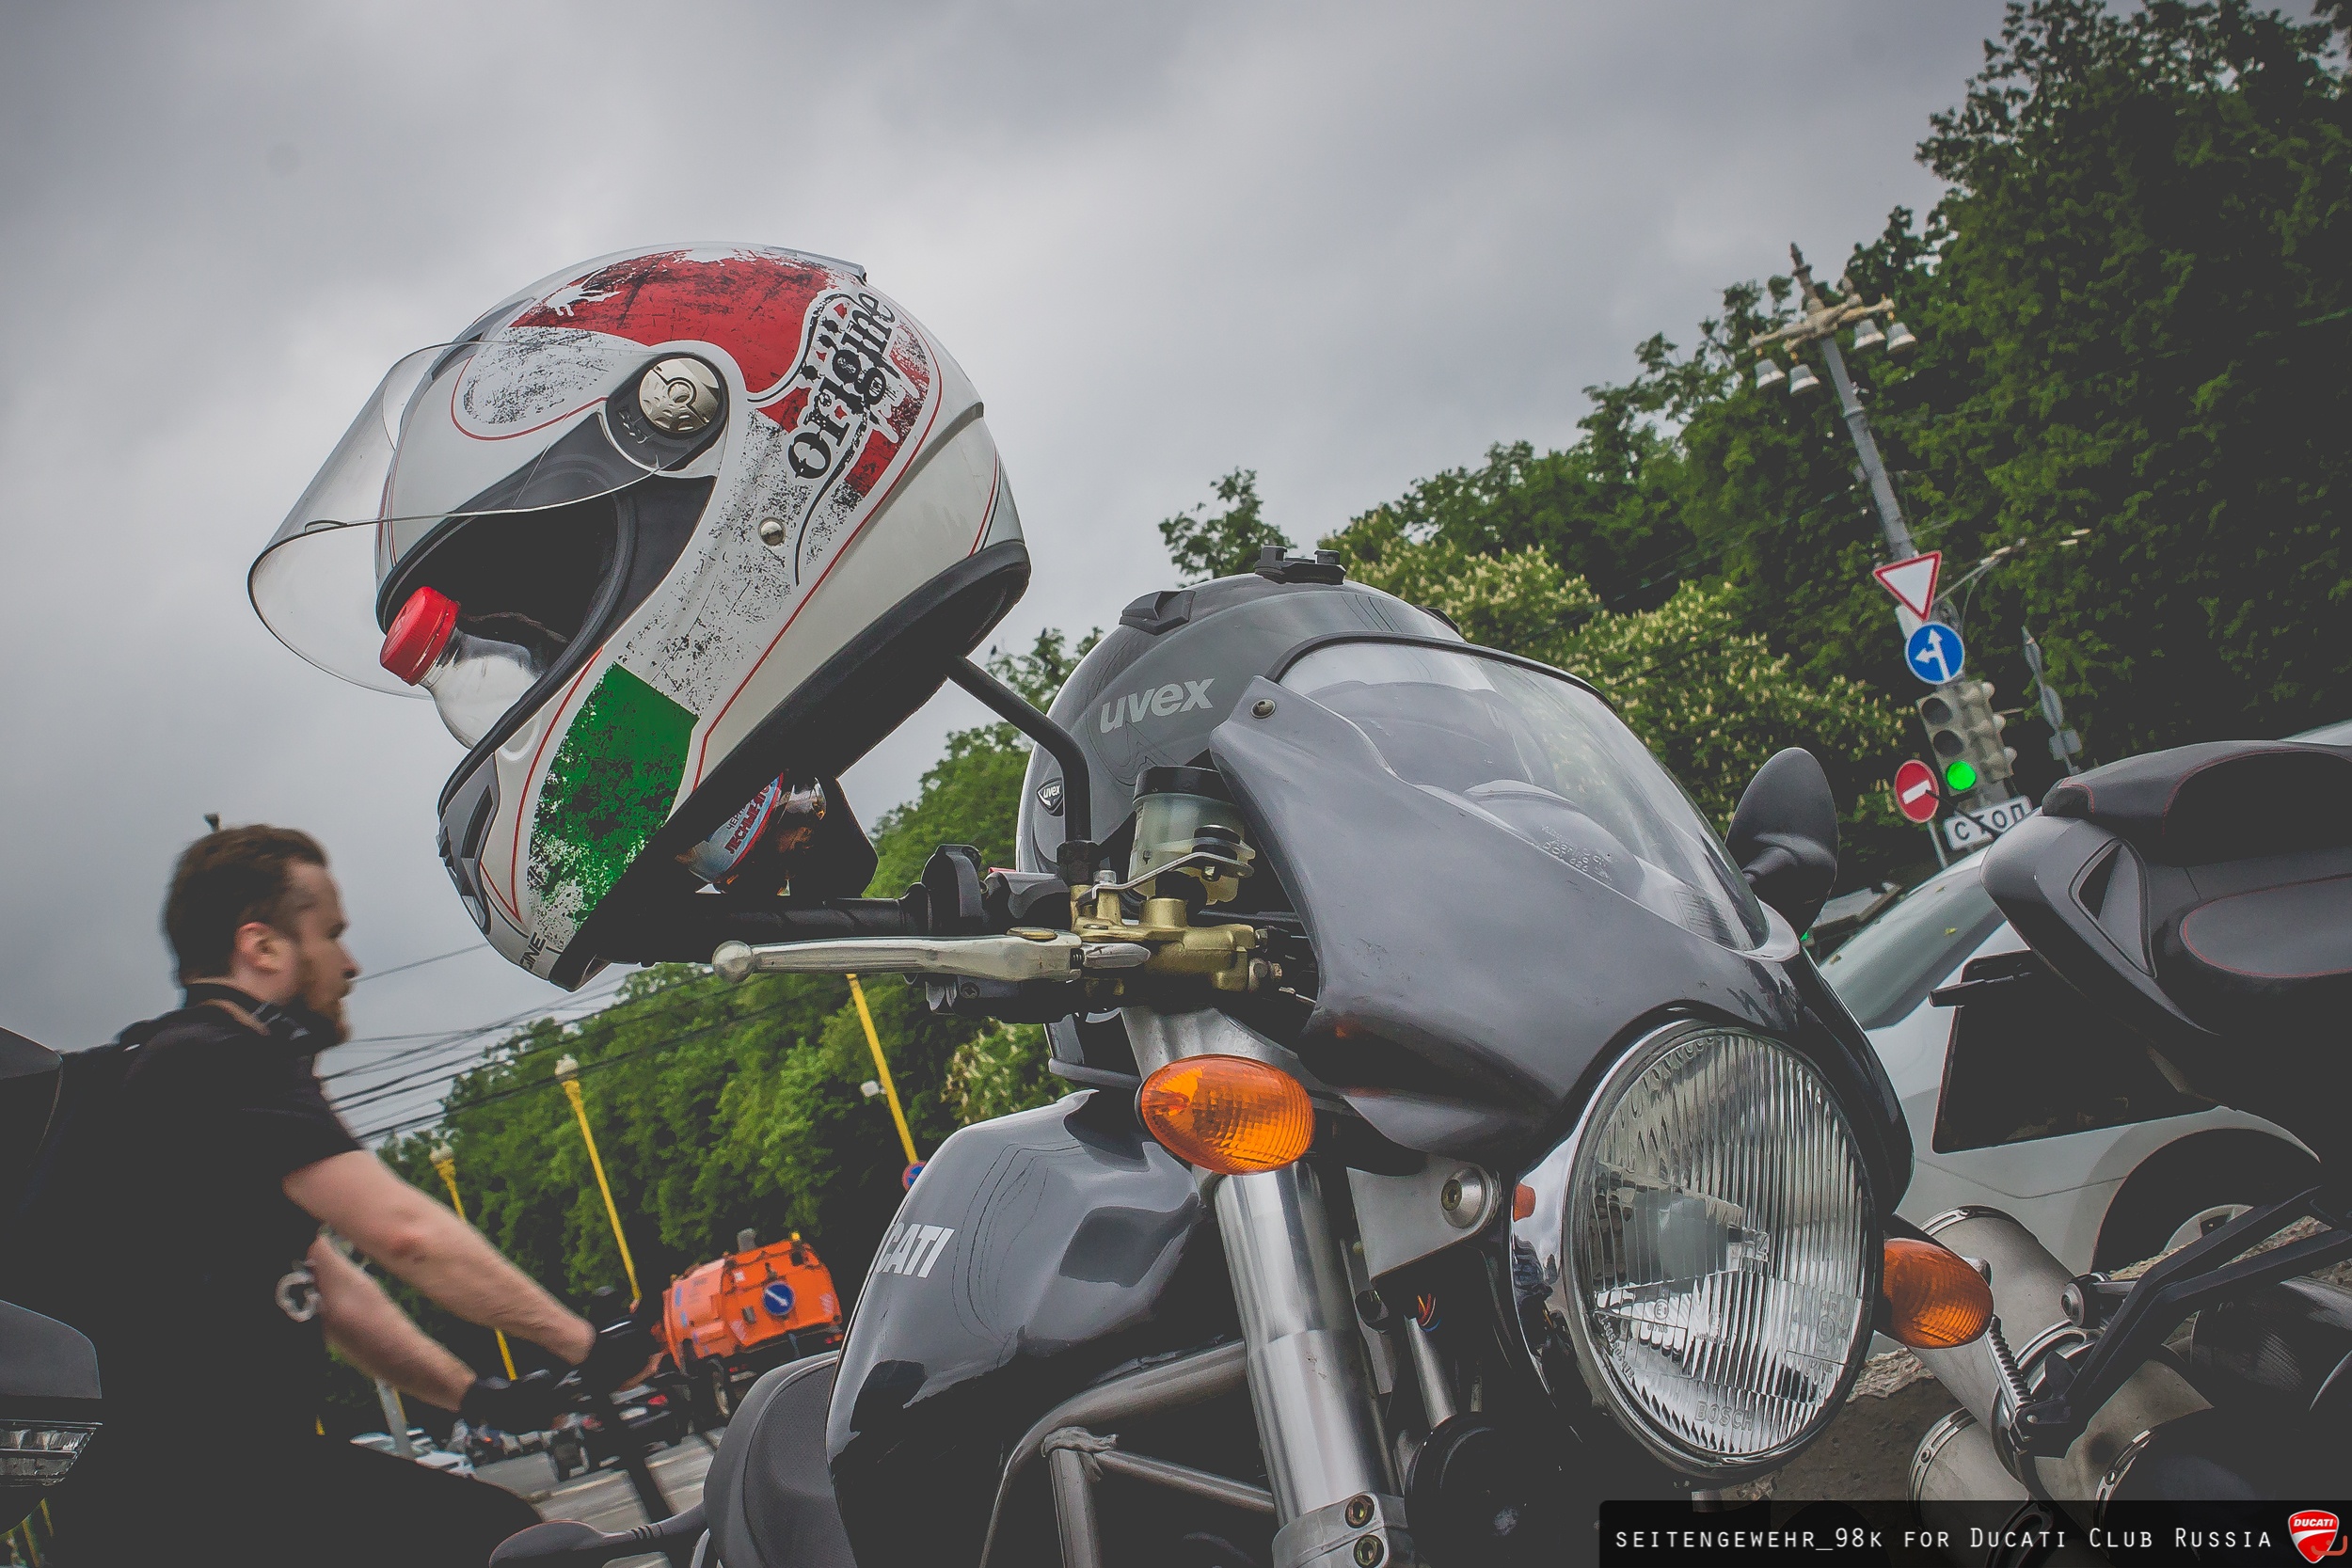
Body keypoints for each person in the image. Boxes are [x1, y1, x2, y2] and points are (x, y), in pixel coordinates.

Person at [42, 825, 657, 1566]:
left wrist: (478, 1396)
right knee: (512, 1543)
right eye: (331, 933)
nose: (351, 961)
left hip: (174, 1496)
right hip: (194, 1494)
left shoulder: (176, 1067)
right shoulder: (222, 1055)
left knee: (500, 1535)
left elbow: (338, 1293)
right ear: (263, 947)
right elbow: (405, 1234)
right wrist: (583, 1342)